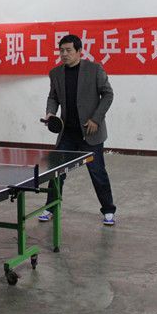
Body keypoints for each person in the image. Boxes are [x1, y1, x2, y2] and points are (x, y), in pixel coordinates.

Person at [43, 34, 116, 225]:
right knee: (57, 172)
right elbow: (53, 97)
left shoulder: (94, 69)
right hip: (67, 133)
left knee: (98, 173)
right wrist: (50, 113)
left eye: (68, 50)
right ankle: (51, 208)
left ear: (79, 51)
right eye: (61, 50)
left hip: (90, 133)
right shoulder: (55, 73)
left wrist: (96, 119)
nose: (64, 54)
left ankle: (109, 210)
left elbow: (108, 95)